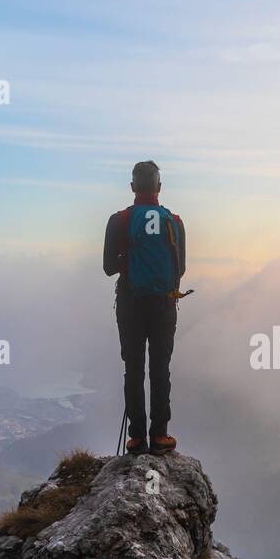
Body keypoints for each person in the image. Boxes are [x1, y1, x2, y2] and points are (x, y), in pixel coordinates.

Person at [103, 160, 186, 454]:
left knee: (134, 369)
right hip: (164, 305)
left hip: (130, 303)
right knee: (160, 369)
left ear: (132, 187)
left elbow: (108, 268)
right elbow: (181, 268)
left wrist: (130, 261)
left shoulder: (120, 220)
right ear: (159, 188)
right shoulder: (174, 221)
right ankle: (160, 435)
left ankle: (137, 438)